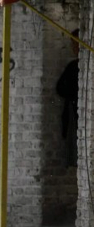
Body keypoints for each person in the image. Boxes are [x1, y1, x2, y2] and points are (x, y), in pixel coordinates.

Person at [56, 30, 80, 167]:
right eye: (73, 44)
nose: (74, 48)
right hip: (73, 113)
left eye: (76, 44)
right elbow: (59, 88)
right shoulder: (72, 67)